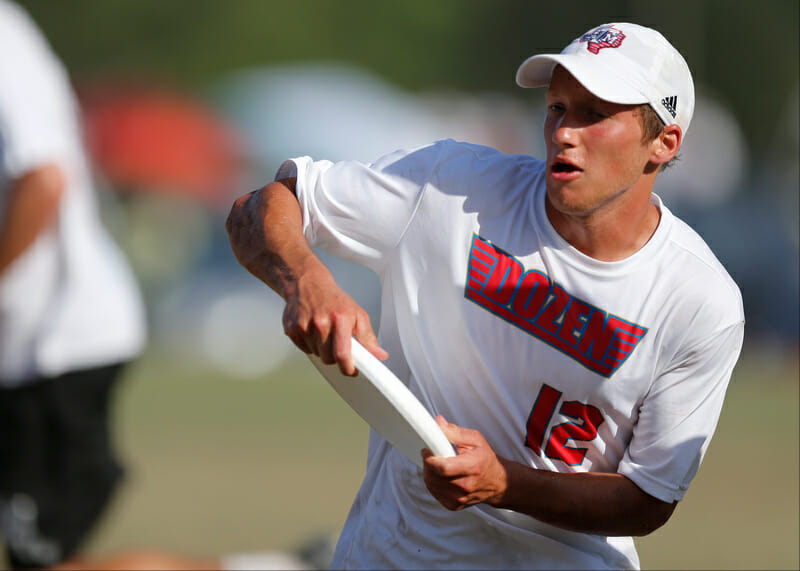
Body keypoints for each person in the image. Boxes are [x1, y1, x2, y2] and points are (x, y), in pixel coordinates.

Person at [226, 22, 744, 570]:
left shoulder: (700, 301)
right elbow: (260, 207)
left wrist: (503, 483)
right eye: (557, 109)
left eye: (594, 115)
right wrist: (306, 278)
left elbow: (647, 500)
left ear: (663, 143)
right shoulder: (450, 188)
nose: (565, 132)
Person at [0, 1, 147, 568]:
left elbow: (43, 179)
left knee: (41, 561)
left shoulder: (4, 40)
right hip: (18, 351)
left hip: (55, 345)